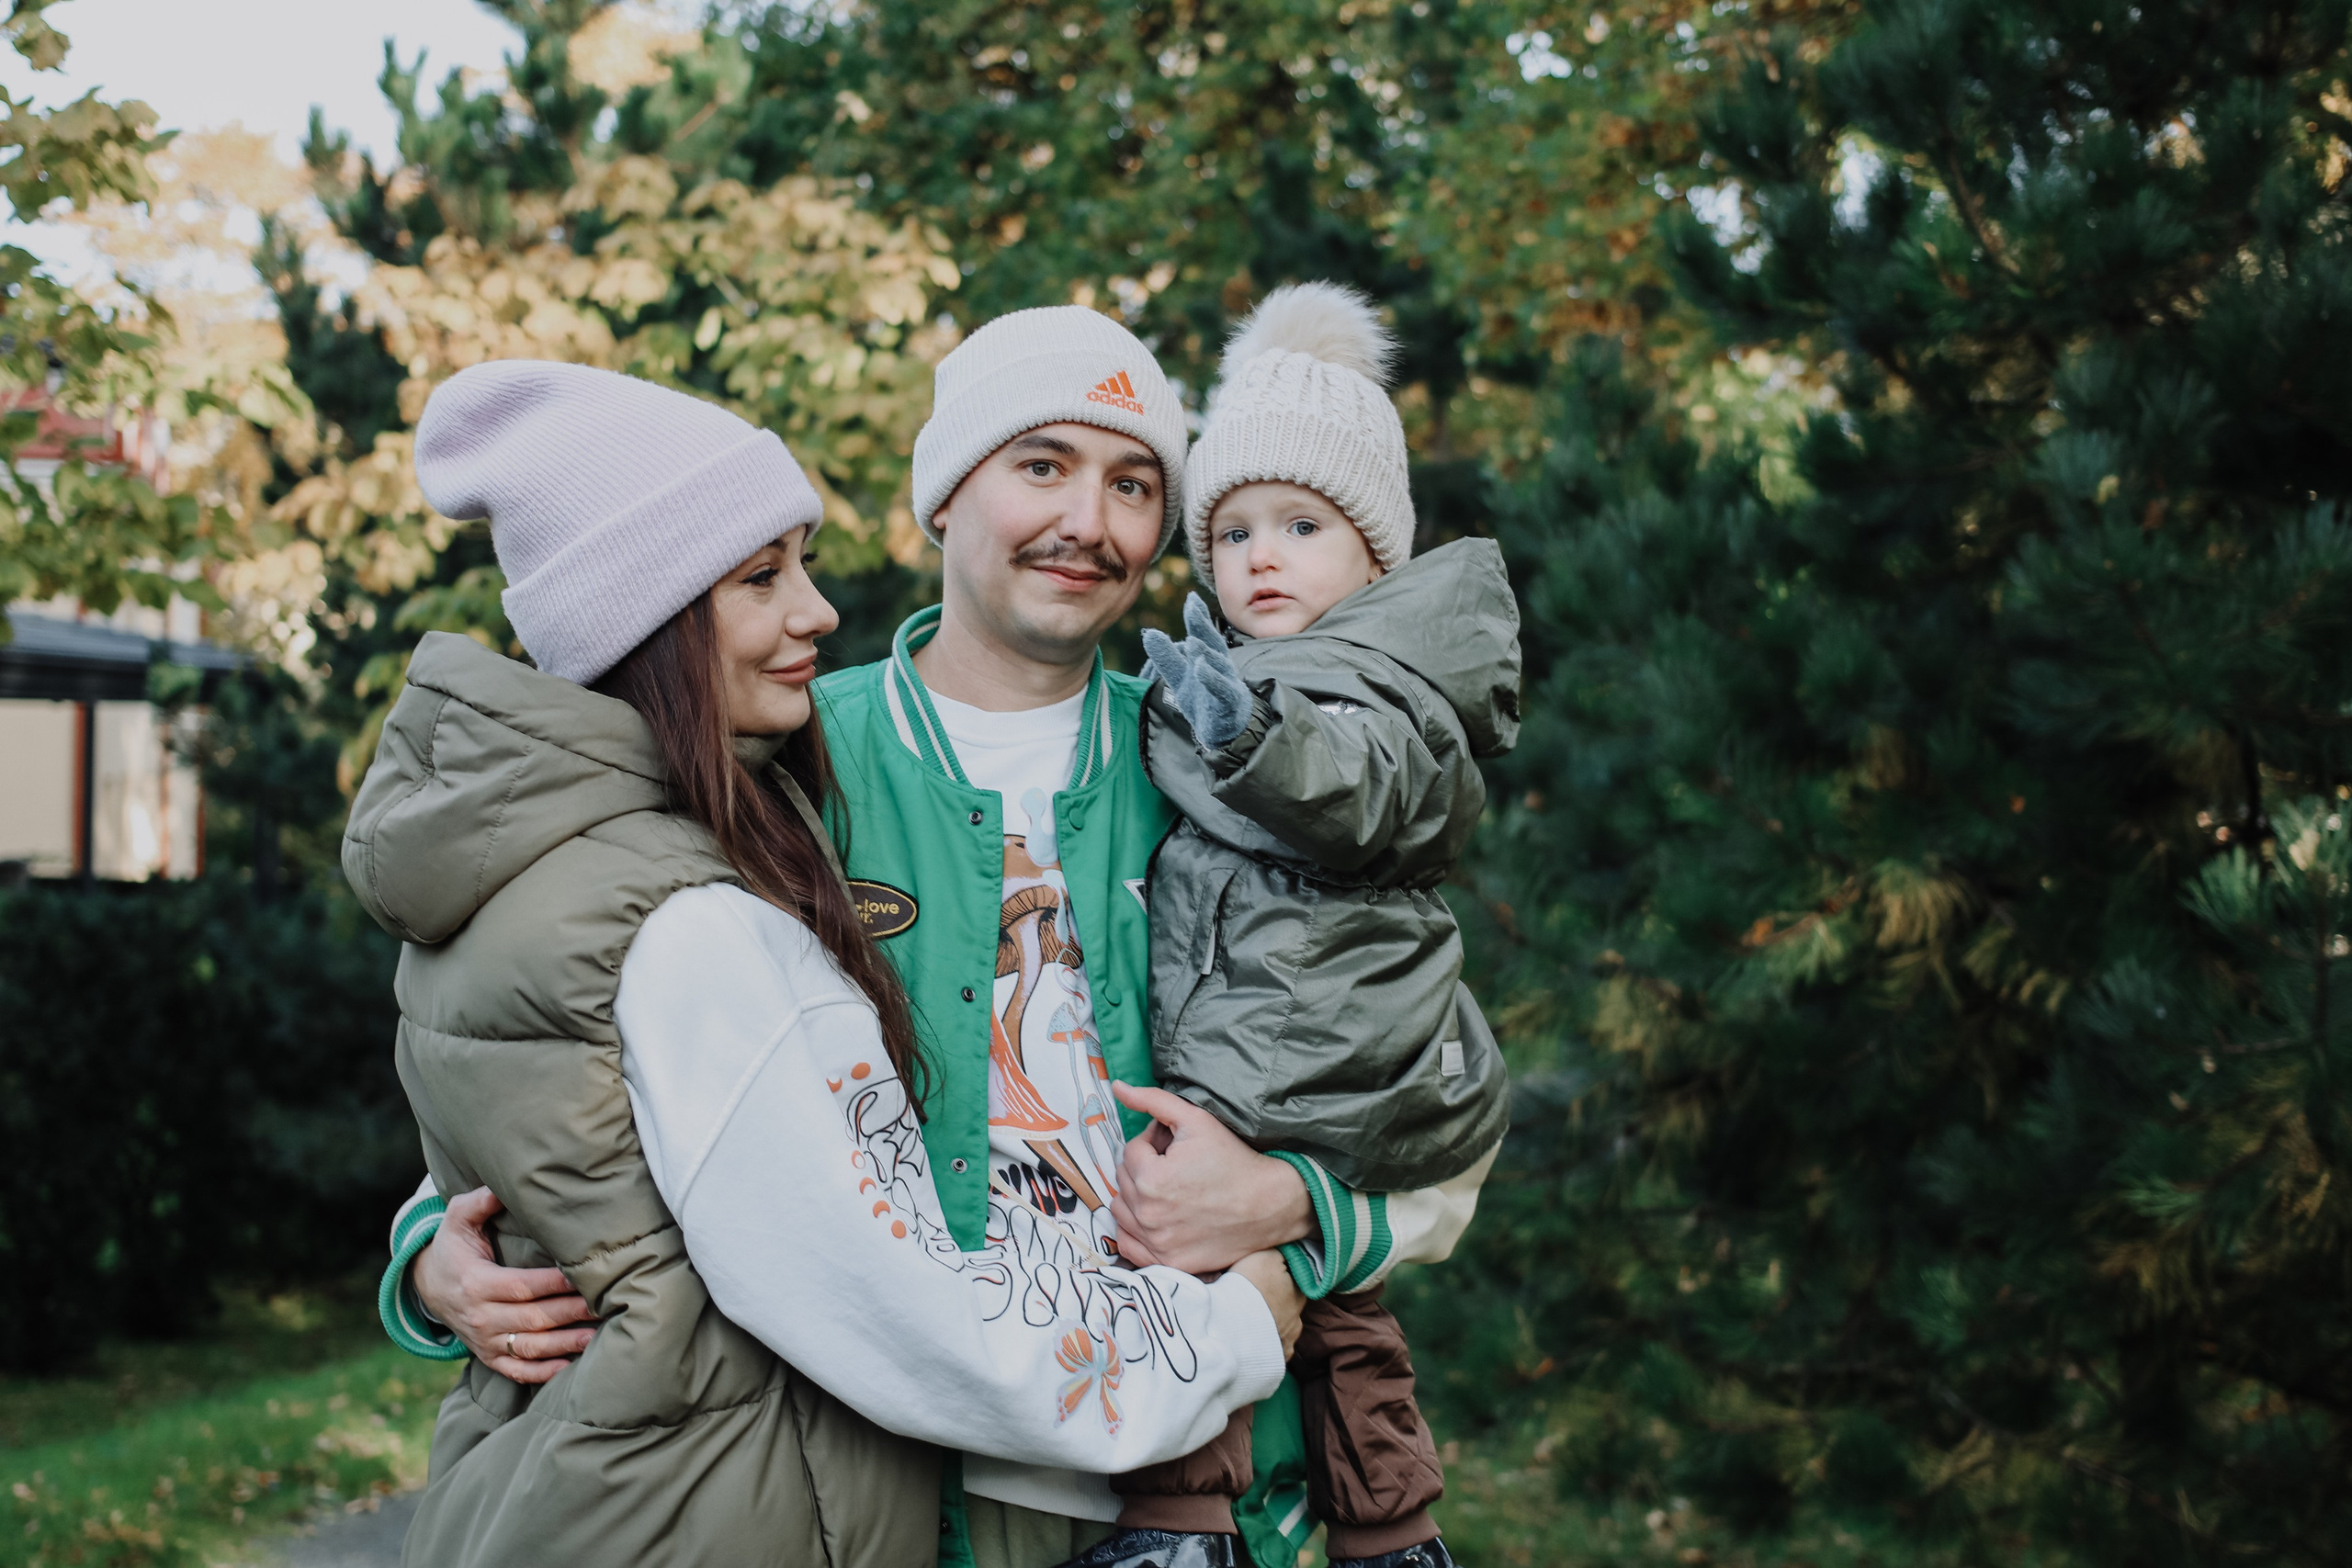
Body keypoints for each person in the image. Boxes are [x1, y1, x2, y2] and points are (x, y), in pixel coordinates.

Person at [389, 307, 1493, 1568]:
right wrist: (435, 1253)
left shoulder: (1240, 769)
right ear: (943, 496)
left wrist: (1295, 1204)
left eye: (1135, 483)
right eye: (1042, 465)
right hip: (909, 1503)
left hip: (1219, 1496)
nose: (1089, 519)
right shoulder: (788, 764)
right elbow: (579, 1057)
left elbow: (1442, 1104)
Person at [1081, 285, 1517, 1568]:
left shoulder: (1381, 693)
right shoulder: (1270, 673)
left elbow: (1350, 786)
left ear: (1374, 558)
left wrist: (1244, 730)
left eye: (1302, 525)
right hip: (1295, 1038)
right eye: (1233, 533)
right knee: (1347, 1327)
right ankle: (1393, 1532)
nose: (1262, 557)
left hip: (1303, 1055)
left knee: (1190, 1282)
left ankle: (1179, 1521)